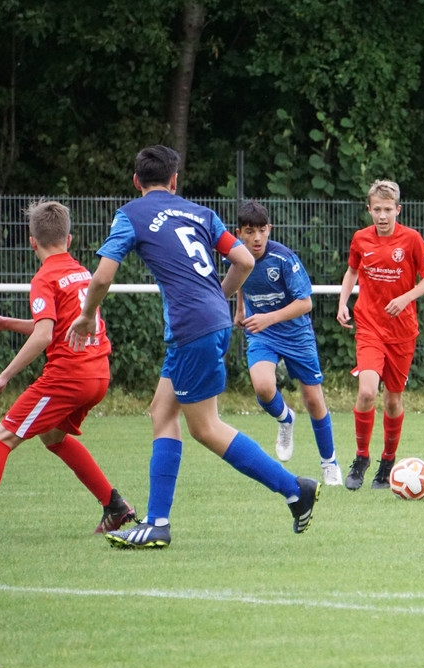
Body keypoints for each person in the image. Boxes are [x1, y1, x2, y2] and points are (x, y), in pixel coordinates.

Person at [65, 145, 320, 549]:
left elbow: (101, 278)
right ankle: (158, 522)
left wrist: (85, 316)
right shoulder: (201, 213)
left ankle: (294, 489)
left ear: (136, 181)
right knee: (162, 411)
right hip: (208, 322)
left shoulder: (131, 214)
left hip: (192, 327)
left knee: (205, 427)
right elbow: (244, 261)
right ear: (174, 180)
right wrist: (218, 300)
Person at [0, 200, 135, 539]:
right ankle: (115, 506)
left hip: (68, 377)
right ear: (68, 239)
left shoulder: (45, 277)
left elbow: (44, 335)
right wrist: (6, 322)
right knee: (53, 436)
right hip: (98, 374)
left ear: (32, 242)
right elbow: (54, 326)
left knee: (0, 437)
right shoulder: (81, 272)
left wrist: (2, 378)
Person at [336, 180, 424, 490]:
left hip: (402, 332)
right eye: (377, 210)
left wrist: (406, 298)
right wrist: (343, 302)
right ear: (369, 209)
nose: (382, 216)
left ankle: (388, 461)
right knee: (367, 392)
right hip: (369, 326)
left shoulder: (411, 239)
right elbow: (352, 270)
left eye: (388, 210)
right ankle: (361, 458)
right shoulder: (360, 239)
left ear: (398, 210)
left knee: (393, 401)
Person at [232, 200, 342, 486]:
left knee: (314, 400)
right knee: (263, 386)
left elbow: (305, 303)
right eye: (249, 231)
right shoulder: (235, 255)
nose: (257, 238)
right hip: (262, 334)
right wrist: (240, 309)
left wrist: (267, 318)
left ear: (269, 229)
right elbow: (240, 277)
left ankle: (329, 463)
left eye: (261, 230)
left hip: (295, 334)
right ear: (239, 233)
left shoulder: (283, 258)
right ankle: (285, 419)